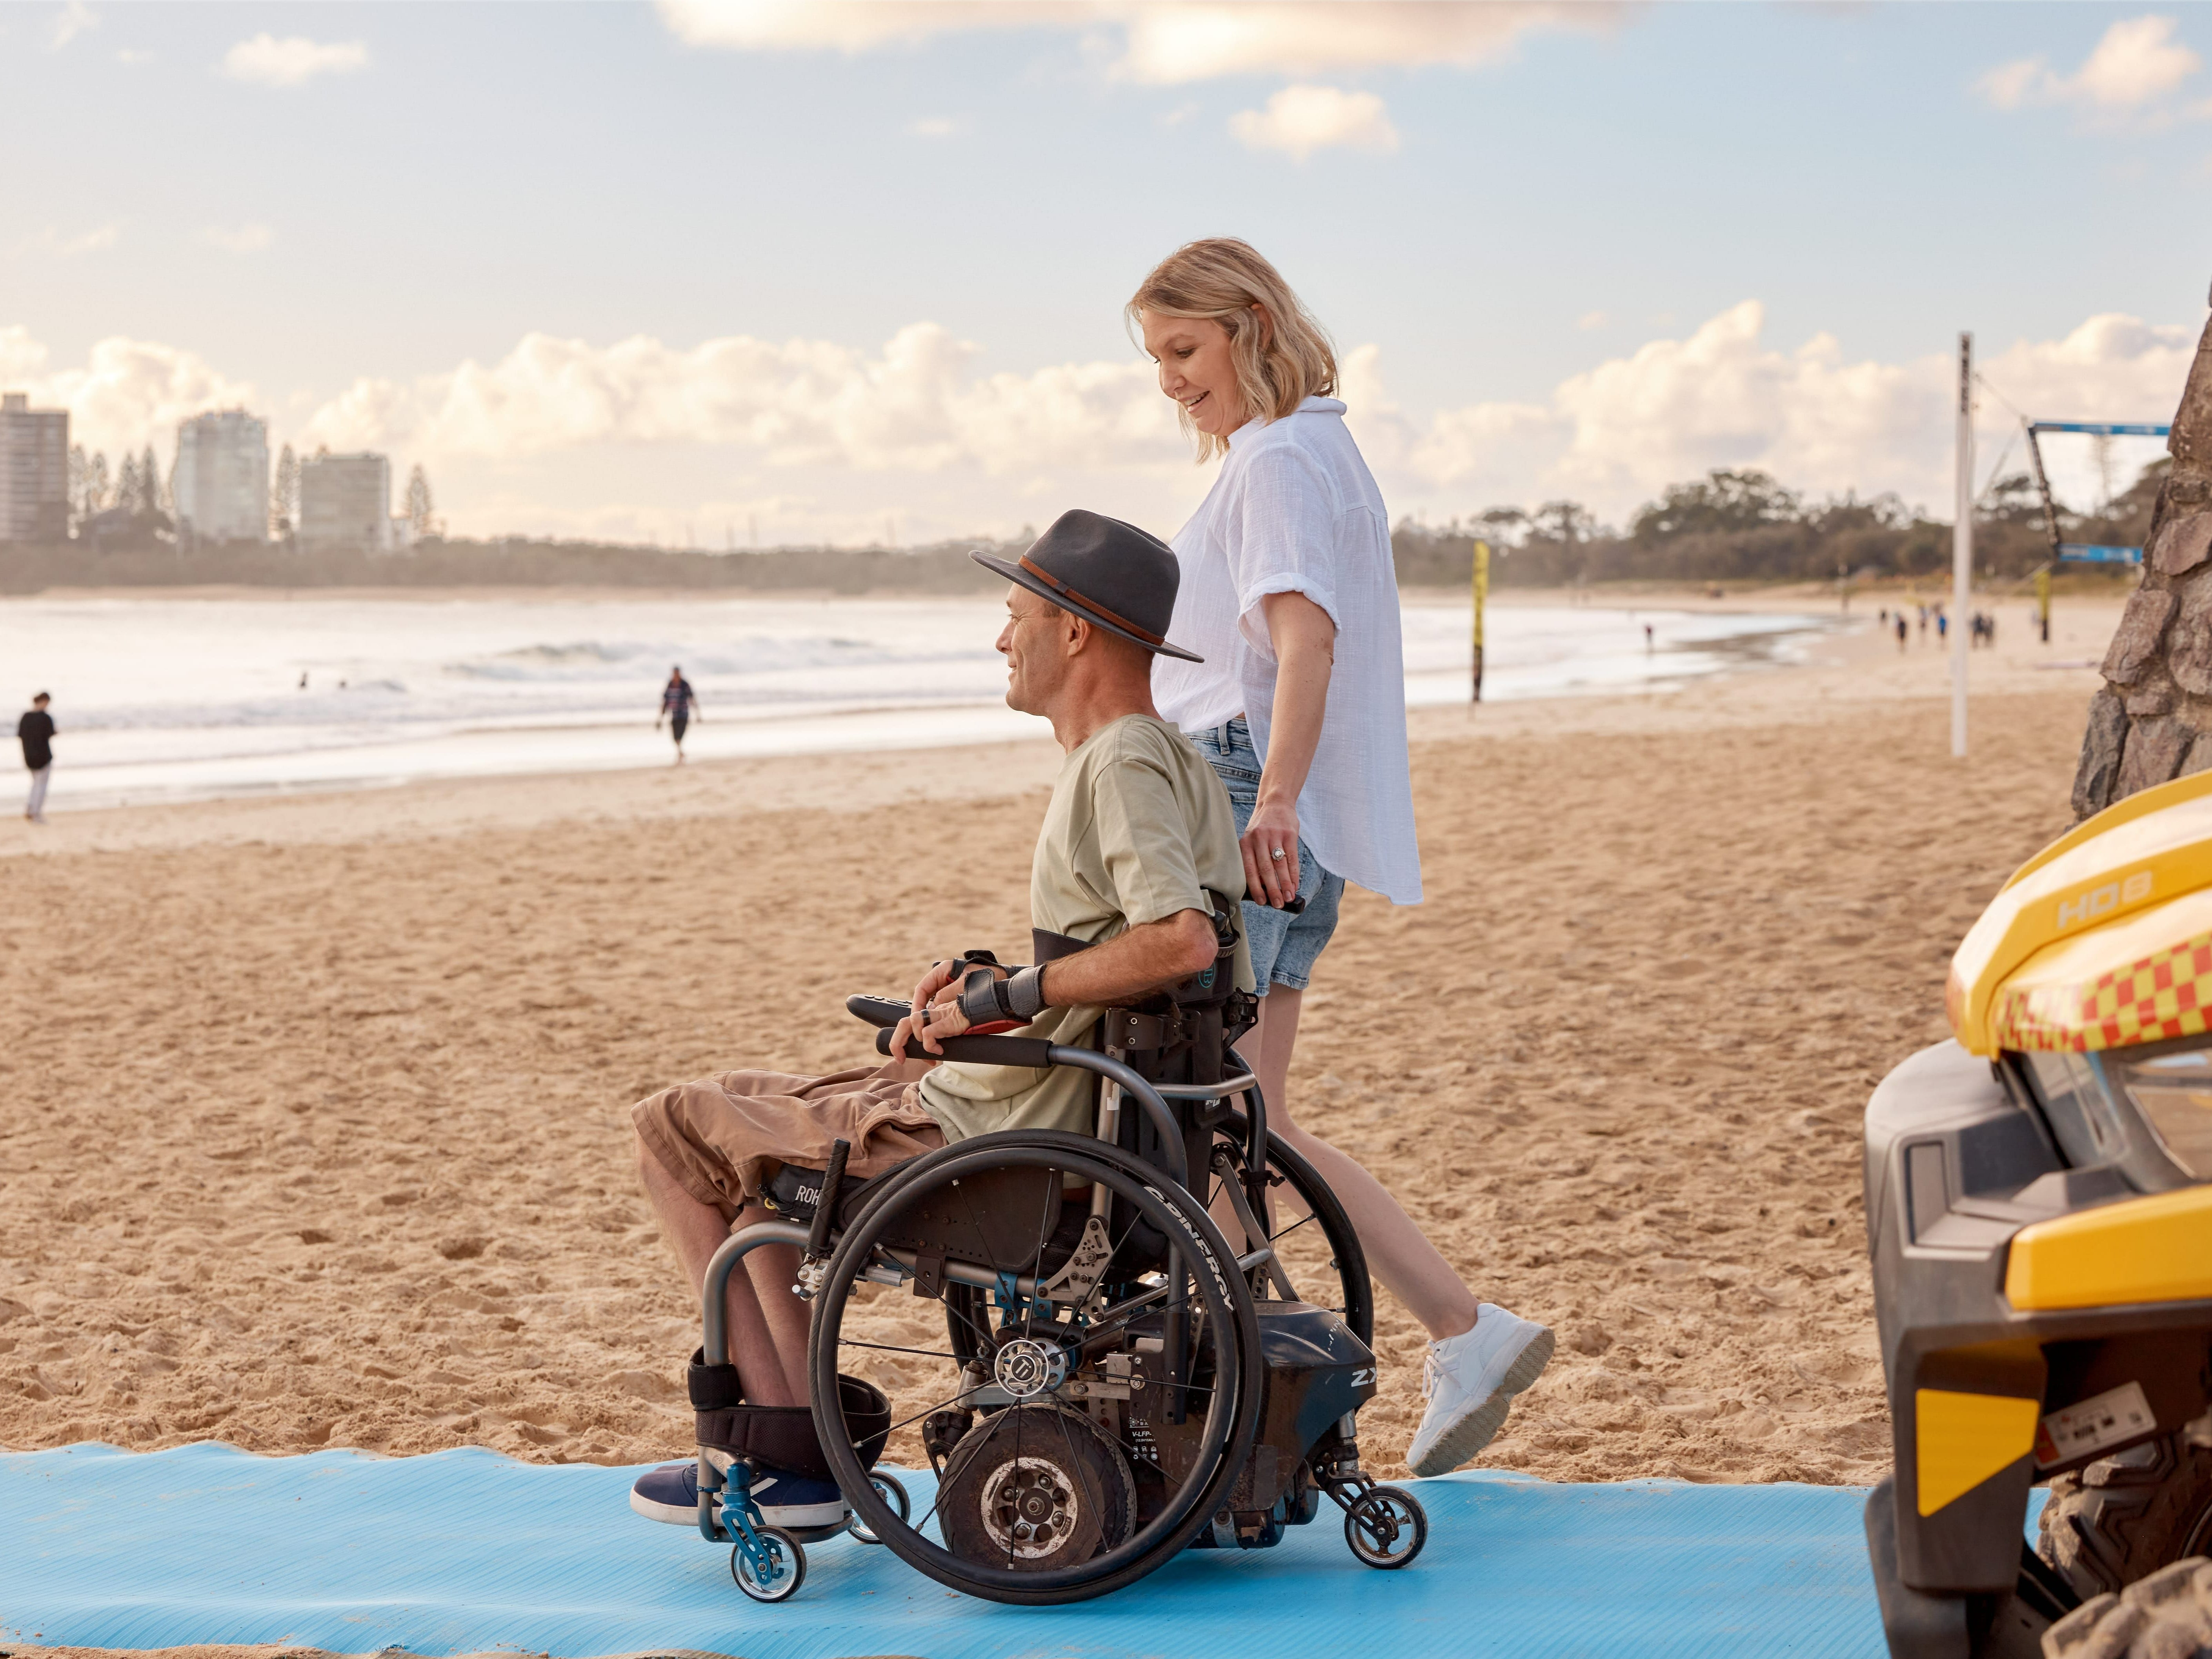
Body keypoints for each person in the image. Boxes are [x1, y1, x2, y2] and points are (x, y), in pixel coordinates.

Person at [625, 510, 1252, 1532]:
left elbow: (1179, 942)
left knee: (674, 1124)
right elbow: (1145, 969)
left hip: (1014, 1138)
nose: (1002, 639)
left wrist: (1006, 1000)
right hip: (1062, 1101)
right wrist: (982, 982)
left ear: (1075, 630)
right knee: (751, 1169)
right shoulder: (1171, 759)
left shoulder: (1120, 763)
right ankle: (802, 1453)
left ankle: (788, 1450)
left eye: (1014, 616)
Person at [1128, 238, 1552, 1479]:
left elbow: (1299, 643)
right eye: (1155, 360)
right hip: (1290, 809)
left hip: (1249, 796)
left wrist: (1271, 805)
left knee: (1204, 1123)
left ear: (1249, 323)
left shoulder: (1271, 459)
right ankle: (1456, 1331)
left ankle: (1258, 1379)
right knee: (1251, 1120)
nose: (1169, 382)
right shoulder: (1323, 449)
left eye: (1183, 350)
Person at [18, 693, 54, 824]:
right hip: (44, 756)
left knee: (35, 784)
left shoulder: (26, 717)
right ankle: (36, 813)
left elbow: (21, 736)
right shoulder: (45, 718)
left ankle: (30, 808)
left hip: (29, 756)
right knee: (42, 785)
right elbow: (51, 733)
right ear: (44, 701)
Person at [656, 668, 699, 763]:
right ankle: (680, 752)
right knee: (675, 737)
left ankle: (680, 753)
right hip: (674, 714)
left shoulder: (685, 685)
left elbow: (692, 698)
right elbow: (665, 701)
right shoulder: (670, 684)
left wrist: (697, 714)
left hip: (684, 714)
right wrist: (660, 718)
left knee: (680, 734)